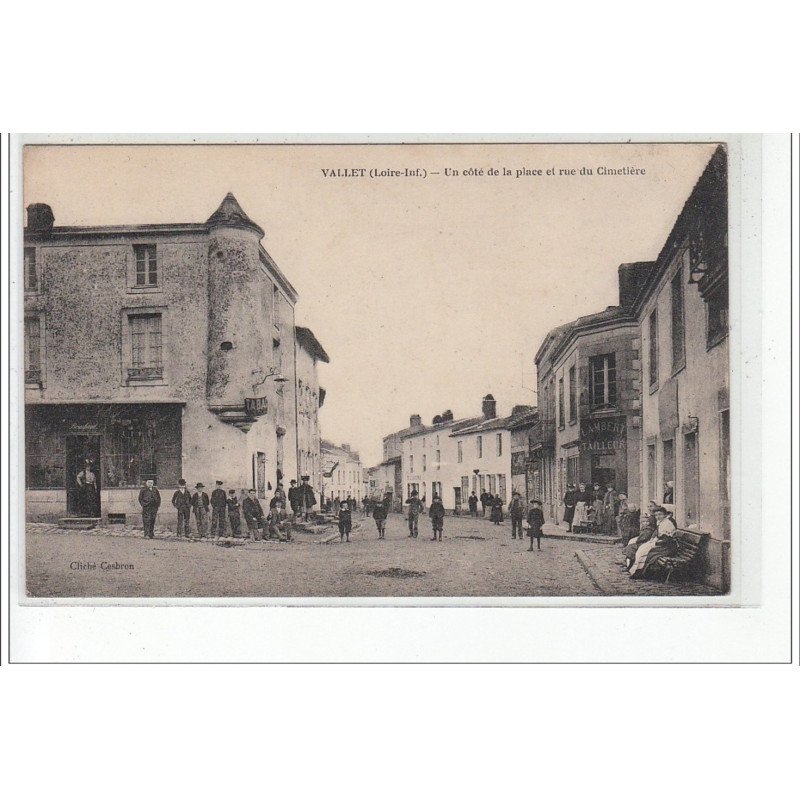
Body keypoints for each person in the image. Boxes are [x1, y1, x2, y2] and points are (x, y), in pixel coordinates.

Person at [629, 506, 678, 578]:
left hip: (668, 547)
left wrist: (655, 542)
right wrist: (653, 540)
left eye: (660, 514)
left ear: (665, 515)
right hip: (662, 544)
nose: (658, 517)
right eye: (656, 515)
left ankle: (641, 572)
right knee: (643, 548)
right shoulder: (661, 522)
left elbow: (667, 540)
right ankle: (638, 570)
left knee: (648, 551)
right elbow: (659, 535)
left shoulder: (667, 524)